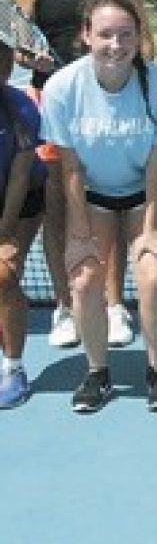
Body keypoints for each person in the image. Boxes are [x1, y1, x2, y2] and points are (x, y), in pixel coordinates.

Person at [39, 0, 157, 413]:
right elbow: (70, 168)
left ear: (140, 36)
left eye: (125, 34)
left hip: (148, 193)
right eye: (105, 34)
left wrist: (155, 229)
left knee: (154, 277)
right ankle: (97, 373)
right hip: (93, 194)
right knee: (84, 280)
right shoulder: (62, 88)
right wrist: (79, 234)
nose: (116, 45)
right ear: (86, 35)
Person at [15, 0, 140, 349]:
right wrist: (35, 60)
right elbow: (22, 44)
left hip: (109, 111)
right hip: (55, 111)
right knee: (58, 209)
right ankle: (66, 307)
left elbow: (137, 43)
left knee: (111, 206)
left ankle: (113, 305)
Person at [0, 39, 47, 408]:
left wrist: (4, 232)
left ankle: (13, 367)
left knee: (3, 273)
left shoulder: (20, 111)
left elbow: (18, 180)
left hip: (21, 203)